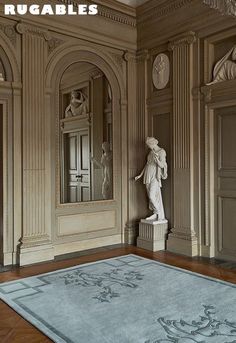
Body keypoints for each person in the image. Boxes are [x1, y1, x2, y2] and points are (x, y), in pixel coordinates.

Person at [135, 137, 167, 221]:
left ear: (153, 143)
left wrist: (157, 161)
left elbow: (162, 165)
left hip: (155, 176)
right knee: (150, 196)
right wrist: (140, 175)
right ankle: (155, 213)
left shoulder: (161, 152)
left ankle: (158, 211)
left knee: (152, 196)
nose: (149, 147)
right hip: (147, 175)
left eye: (149, 145)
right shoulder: (150, 152)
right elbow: (147, 164)